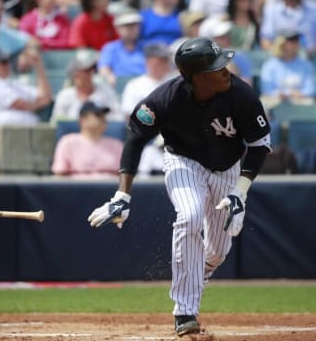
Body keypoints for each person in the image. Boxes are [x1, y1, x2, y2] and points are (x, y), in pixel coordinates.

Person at [87, 37, 271, 336]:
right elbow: (135, 138)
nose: (226, 70)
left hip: (228, 170)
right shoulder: (165, 98)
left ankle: (199, 274)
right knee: (189, 215)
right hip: (183, 162)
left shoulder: (241, 95)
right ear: (198, 77)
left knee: (217, 253)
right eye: (216, 67)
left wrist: (240, 192)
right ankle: (185, 312)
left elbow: (260, 145)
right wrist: (122, 195)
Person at [0, 47, 52, 162]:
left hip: (21, 135)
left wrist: (39, 66)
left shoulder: (12, 84)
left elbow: (46, 97)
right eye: (3, 62)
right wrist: (37, 104)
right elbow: (22, 105)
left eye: (9, 61)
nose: (8, 65)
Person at [51, 101, 124, 178]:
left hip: (111, 187)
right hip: (78, 187)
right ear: (83, 120)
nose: (103, 118)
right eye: (98, 115)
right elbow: (59, 174)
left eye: (104, 115)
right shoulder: (67, 142)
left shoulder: (117, 145)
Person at [51, 49, 124, 122]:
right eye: (86, 71)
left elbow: (119, 118)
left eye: (92, 69)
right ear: (74, 74)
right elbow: (56, 123)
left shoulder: (106, 91)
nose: (90, 73)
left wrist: (98, 120)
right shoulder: (65, 95)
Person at [259, 29, 315, 109]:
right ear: (281, 43)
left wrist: (292, 94)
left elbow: (310, 89)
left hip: (300, 103)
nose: (296, 44)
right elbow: (267, 89)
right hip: (276, 103)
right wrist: (282, 94)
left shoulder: (306, 65)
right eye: (291, 41)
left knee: (310, 102)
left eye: (297, 41)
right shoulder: (269, 65)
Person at [121, 42, 176, 116]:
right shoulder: (134, 85)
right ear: (148, 61)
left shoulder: (176, 82)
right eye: (161, 59)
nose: (165, 63)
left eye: (166, 59)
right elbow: (129, 114)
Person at [199, 16, 253, 86]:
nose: (227, 38)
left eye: (227, 34)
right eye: (221, 37)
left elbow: (248, 86)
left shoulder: (239, 56)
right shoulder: (201, 60)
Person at [97, 9, 146, 85]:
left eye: (134, 25)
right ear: (117, 28)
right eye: (127, 25)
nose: (131, 28)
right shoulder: (110, 48)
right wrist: (109, 76)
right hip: (117, 87)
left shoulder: (148, 48)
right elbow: (104, 69)